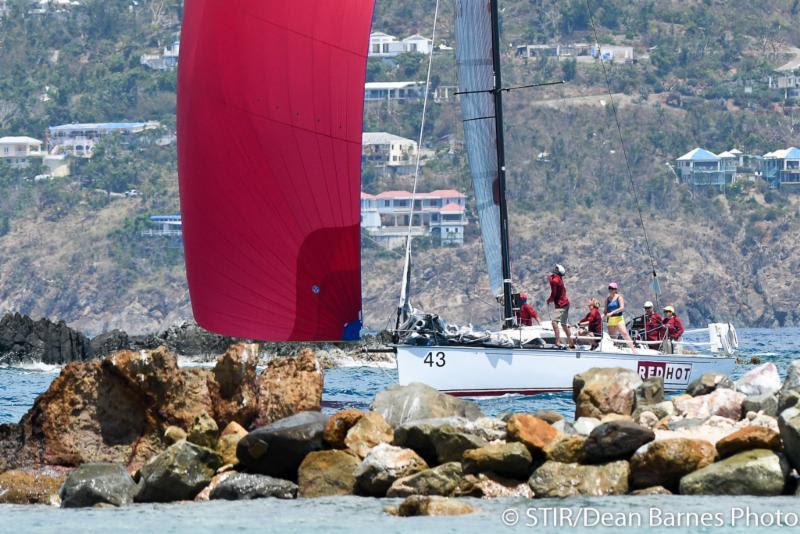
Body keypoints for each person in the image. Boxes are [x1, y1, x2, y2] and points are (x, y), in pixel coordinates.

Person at [603, 282, 636, 352]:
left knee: (624, 333)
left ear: (615, 289)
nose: (611, 290)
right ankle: (615, 351)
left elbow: (622, 308)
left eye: (612, 288)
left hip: (618, 318)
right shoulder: (607, 299)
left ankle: (633, 349)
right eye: (609, 288)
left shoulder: (619, 297)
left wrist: (612, 312)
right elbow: (605, 311)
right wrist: (601, 316)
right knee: (612, 338)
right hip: (611, 319)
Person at [547, 264, 573, 349]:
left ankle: (557, 342)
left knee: (554, 322)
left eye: (556, 268)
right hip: (565, 303)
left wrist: (549, 300)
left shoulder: (555, 280)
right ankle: (571, 343)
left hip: (561, 305)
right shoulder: (556, 278)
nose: (554, 269)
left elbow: (554, 293)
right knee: (563, 324)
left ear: (558, 272)